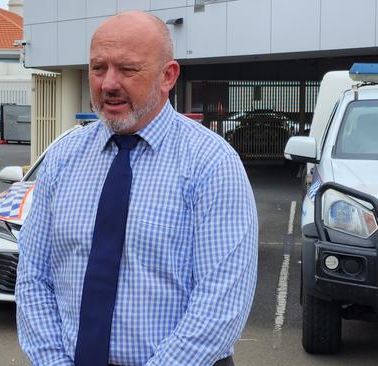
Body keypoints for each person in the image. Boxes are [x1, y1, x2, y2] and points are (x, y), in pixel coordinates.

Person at [16, 10, 258, 366]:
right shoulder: (62, 159)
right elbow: (33, 278)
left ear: (168, 76)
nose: (109, 83)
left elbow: (220, 305)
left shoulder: (212, 164)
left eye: (128, 69)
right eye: (98, 68)